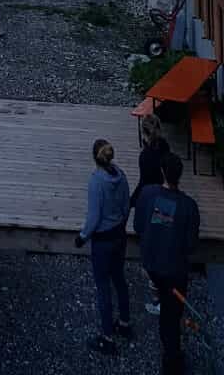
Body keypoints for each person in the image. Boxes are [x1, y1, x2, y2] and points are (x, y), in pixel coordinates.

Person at [134, 152, 200, 375]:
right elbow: (191, 245)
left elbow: (140, 227)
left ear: (162, 172)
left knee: (167, 311)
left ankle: (171, 353)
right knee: (172, 315)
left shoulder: (149, 195)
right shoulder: (187, 206)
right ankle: (172, 361)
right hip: (173, 270)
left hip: (154, 265)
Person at [74, 138, 133, 356]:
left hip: (103, 240)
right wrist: (121, 223)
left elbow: (94, 216)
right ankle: (125, 323)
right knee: (119, 278)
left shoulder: (96, 182)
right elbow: (127, 204)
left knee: (103, 287)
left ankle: (107, 337)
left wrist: (82, 237)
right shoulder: (121, 175)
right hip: (119, 235)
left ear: (94, 159)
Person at [130, 113, 171, 316]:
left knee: (150, 248)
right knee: (162, 246)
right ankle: (164, 297)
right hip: (165, 200)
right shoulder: (165, 147)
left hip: (150, 201)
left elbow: (144, 182)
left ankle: (158, 298)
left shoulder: (145, 156)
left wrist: (130, 202)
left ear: (144, 133)